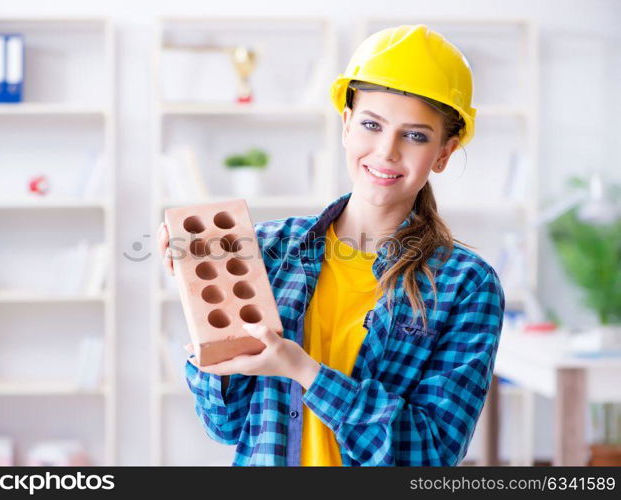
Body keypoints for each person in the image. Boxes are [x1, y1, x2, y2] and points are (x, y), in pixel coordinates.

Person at [157, 24, 505, 466]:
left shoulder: (465, 285)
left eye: (415, 135)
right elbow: (224, 424)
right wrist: (205, 305)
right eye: (371, 125)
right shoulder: (265, 250)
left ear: (444, 153)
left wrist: (304, 371)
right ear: (346, 125)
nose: (386, 151)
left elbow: (430, 453)